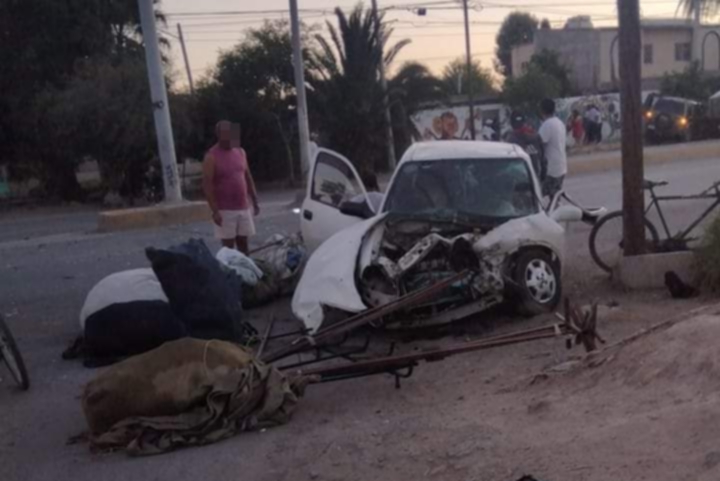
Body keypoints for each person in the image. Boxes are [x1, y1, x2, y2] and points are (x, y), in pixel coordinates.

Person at [202, 121, 260, 254]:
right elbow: (207, 184)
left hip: (243, 207)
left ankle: (245, 266)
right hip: (225, 210)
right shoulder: (211, 156)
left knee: (244, 244)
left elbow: (247, 176)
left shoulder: (241, 152)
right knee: (228, 248)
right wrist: (215, 211)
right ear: (219, 135)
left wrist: (255, 200)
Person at [538, 98, 567, 199]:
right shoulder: (560, 123)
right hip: (561, 167)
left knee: (536, 195)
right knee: (554, 198)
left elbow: (540, 144)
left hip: (551, 170)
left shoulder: (547, 125)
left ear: (542, 110)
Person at [505, 111, 546, 182]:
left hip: (518, 181)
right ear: (524, 122)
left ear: (511, 124)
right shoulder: (536, 137)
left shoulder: (510, 141)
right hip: (535, 179)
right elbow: (543, 160)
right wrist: (542, 176)